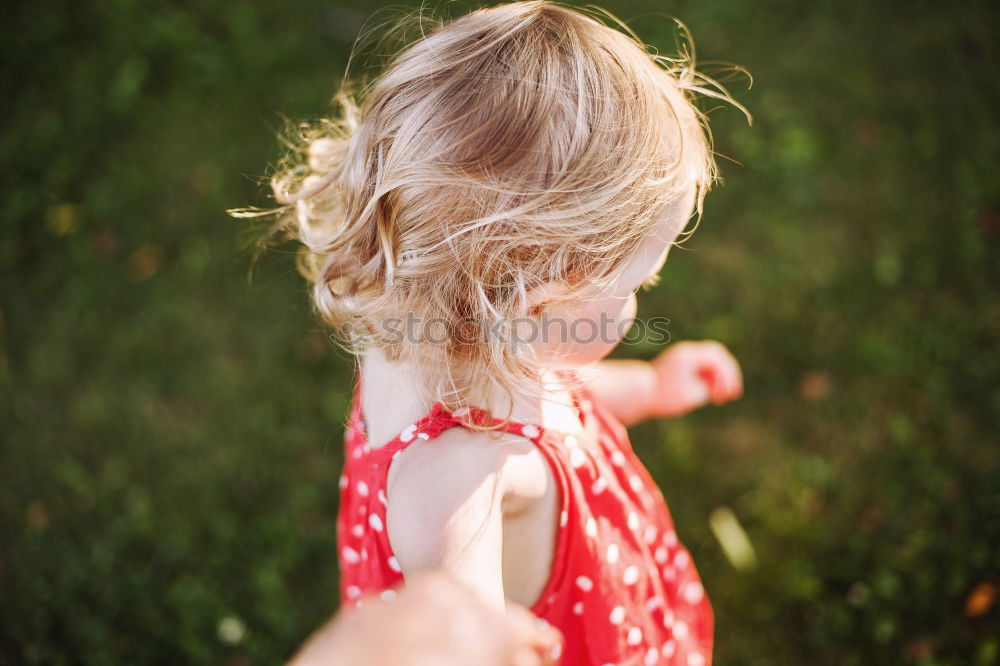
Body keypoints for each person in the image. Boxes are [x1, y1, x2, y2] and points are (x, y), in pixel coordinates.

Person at [235, 1, 746, 663]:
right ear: (537, 310)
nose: (643, 298)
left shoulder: (451, 337)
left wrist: (648, 385)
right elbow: (449, 637)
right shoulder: (452, 483)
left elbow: (558, 394)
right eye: (638, 287)